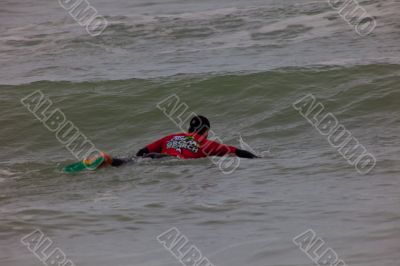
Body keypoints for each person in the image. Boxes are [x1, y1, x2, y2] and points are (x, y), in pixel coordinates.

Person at [109, 115, 258, 167]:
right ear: (206, 131)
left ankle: (111, 160)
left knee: (131, 161)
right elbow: (238, 152)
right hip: (168, 161)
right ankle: (110, 161)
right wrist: (257, 158)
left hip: (155, 156)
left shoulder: (171, 137)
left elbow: (142, 151)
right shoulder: (206, 144)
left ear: (189, 129)